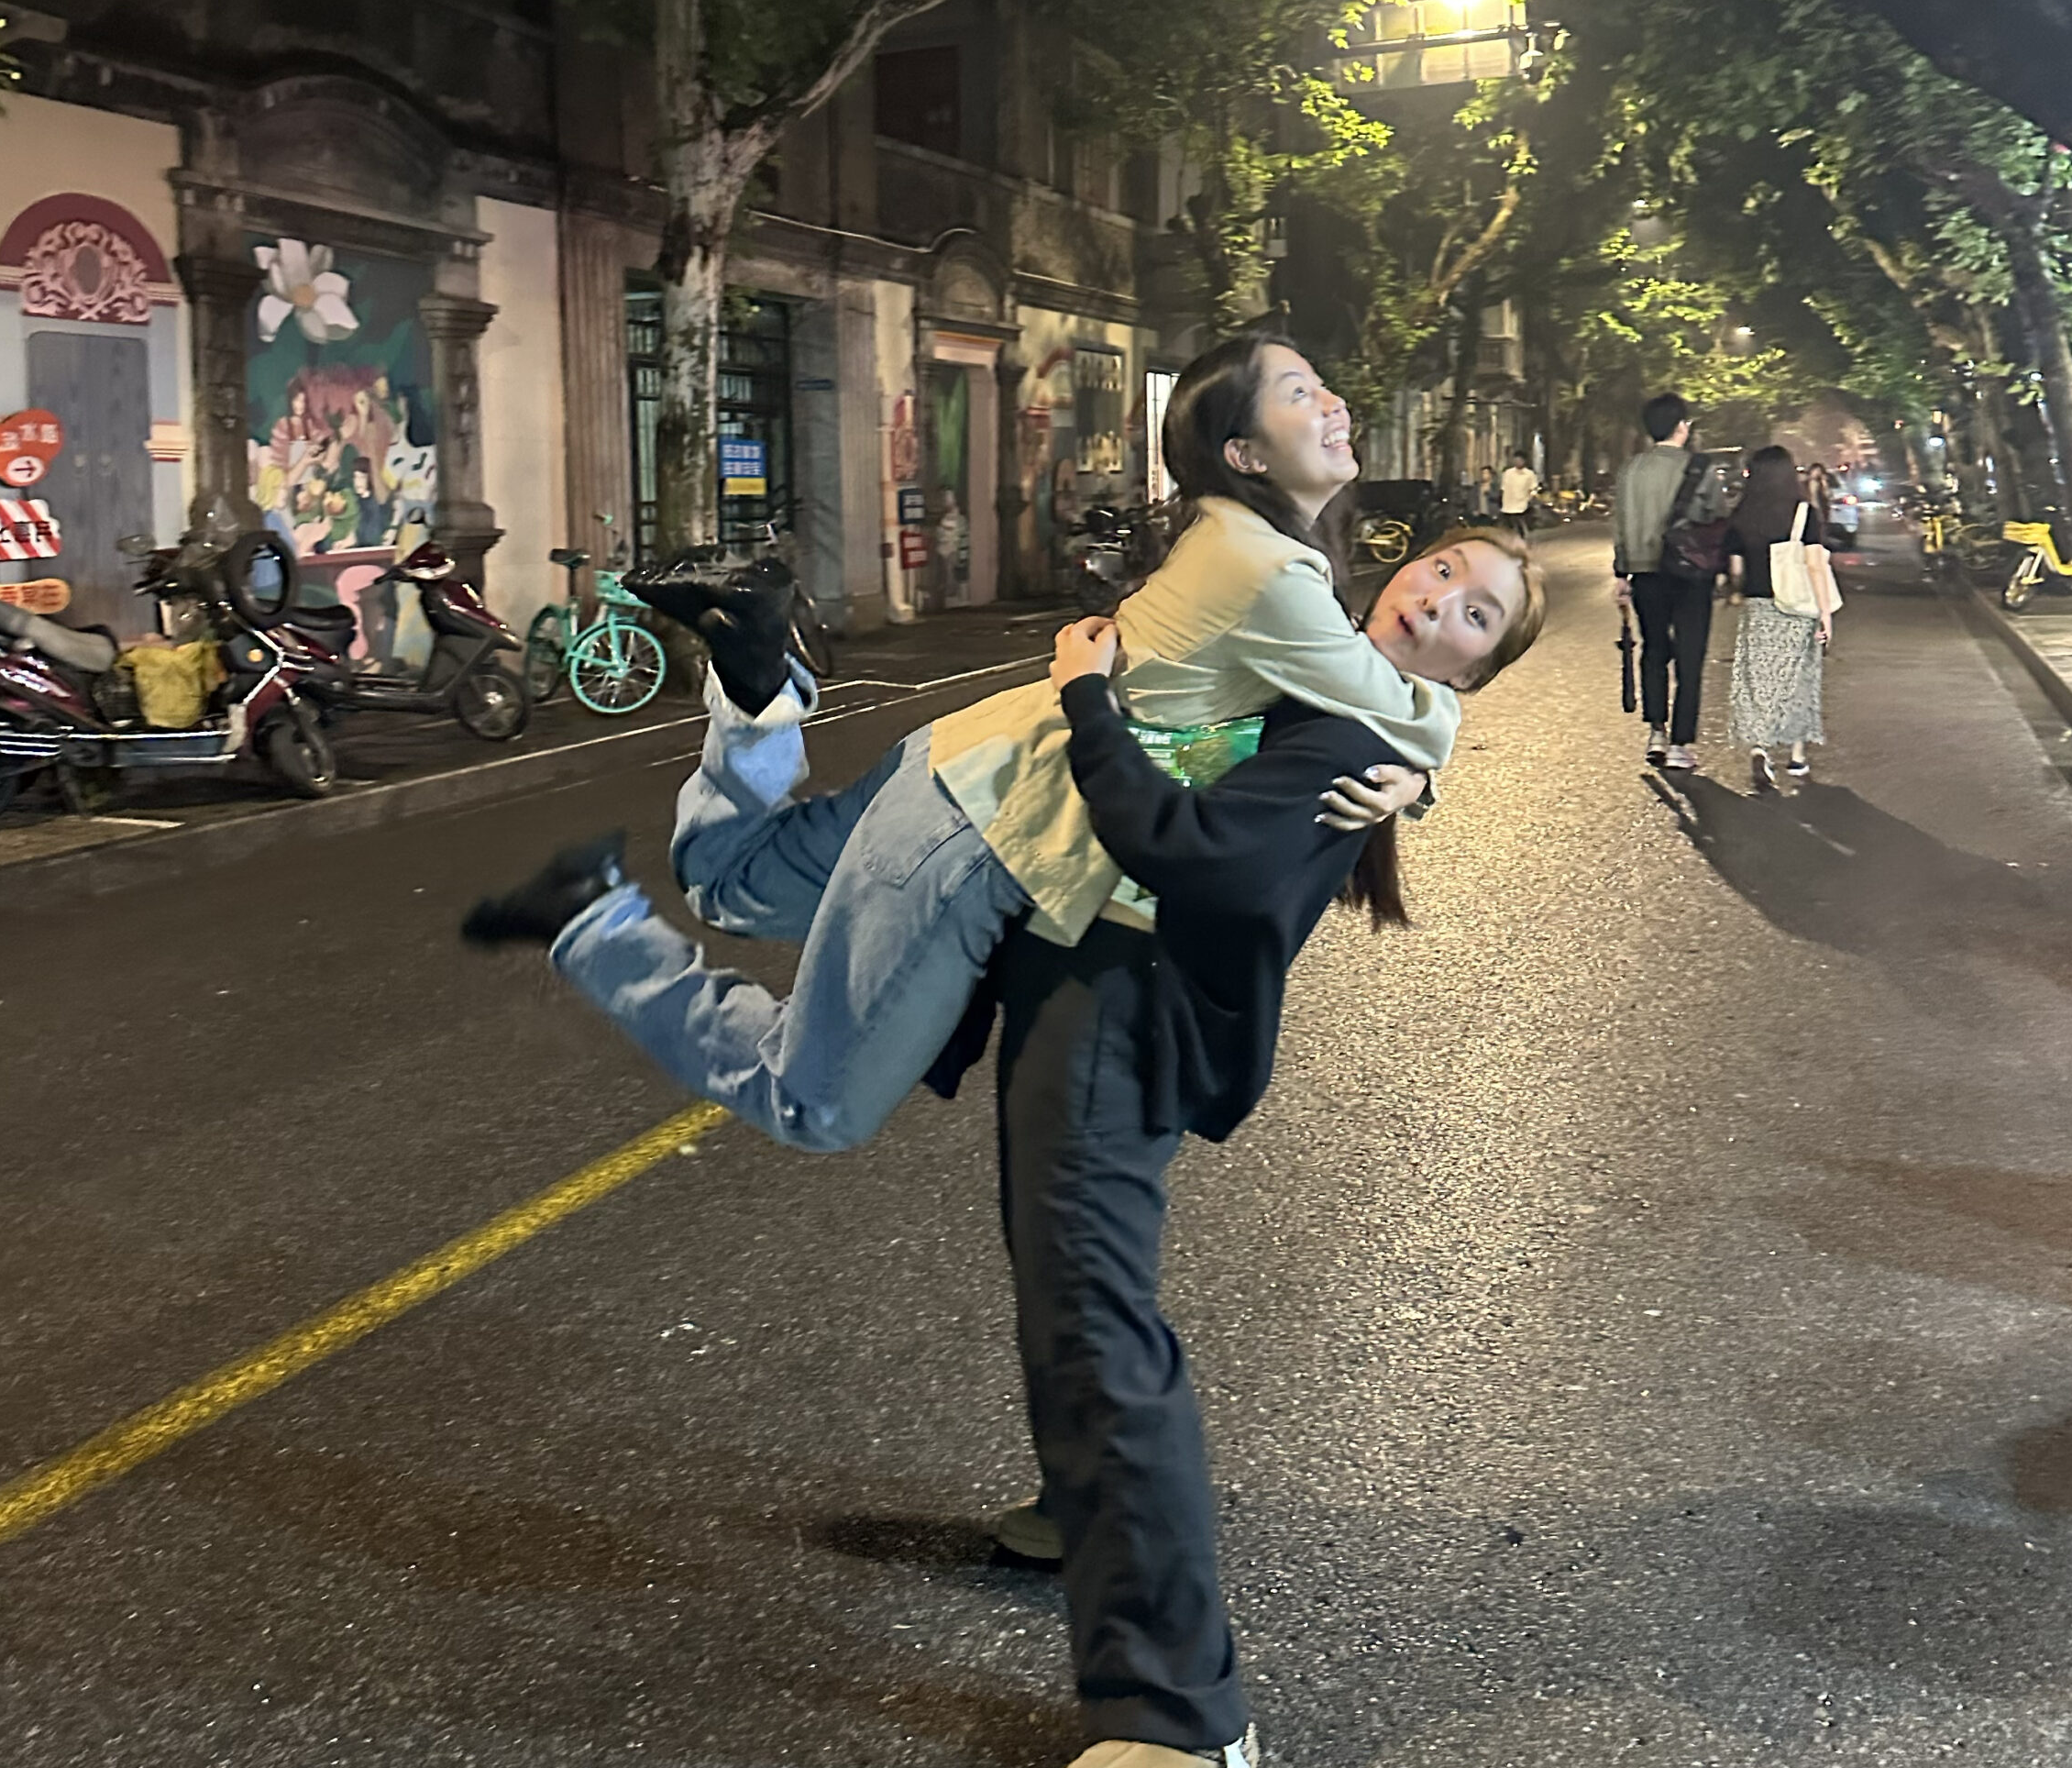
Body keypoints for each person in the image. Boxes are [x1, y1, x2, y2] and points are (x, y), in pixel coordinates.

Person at [467, 529, 1547, 1768]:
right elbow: (1237, 661)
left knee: (1081, 1297)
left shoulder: (1376, 731)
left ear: (1477, 674)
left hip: (1080, 924)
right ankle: (1157, 1661)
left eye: (1476, 617)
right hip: (1044, 885)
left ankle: (1180, 1718)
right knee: (1078, 1291)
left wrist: (1405, 769)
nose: (1436, 604)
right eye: (1442, 574)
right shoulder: (1321, 654)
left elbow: (1230, 828)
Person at [466, 337, 1493, 1155]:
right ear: (1244, 452)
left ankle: (752, 679)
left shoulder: (1245, 541)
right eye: (1300, 393)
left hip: (964, 761)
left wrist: (1398, 782)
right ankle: (597, 921)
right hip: (990, 832)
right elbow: (1403, 706)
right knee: (812, 1105)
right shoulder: (1273, 570)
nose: (1333, 405)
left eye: (1322, 387)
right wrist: (1424, 761)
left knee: (726, 880)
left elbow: (1324, 717)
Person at [1613, 392, 1733, 770]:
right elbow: (1717, 517)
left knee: (1654, 651)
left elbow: (1620, 526)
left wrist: (1621, 574)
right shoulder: (1699, 469)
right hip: (1691, 573)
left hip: (1645, 572)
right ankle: (1681, 743)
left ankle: (1656, 732)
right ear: (1683, 426)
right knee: (1690, 655)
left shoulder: (1630, 471)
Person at [1722, 445, 1838, 790]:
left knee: (1760, 681)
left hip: (1758, 606)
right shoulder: (1805, 513)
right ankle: (1798, 756)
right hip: (1798, 607)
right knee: (1800, 679)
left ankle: (1761, 748)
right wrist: (1826, 614)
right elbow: (1816, 566)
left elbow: (1736, 570)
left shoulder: (1741, 515)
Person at [1498, 451, 1538, 537]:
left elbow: (1533, 488)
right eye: (1516, 460)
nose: (1518, 462)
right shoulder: (1508, 473)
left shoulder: (1529, 474)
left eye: (1520, 460)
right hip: (1508, 503)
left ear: (1524, 461)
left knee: (1519, 524)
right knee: (1508, 526)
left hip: (1522, 504)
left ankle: (1521, 539)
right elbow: (1503, 487)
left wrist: (1530, 499)